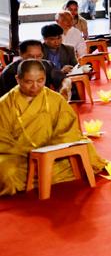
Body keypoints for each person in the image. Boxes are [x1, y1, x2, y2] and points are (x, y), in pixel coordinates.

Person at [0, 60, 105, 195]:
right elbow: (2, 139)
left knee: (88, 150)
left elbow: (68, 129)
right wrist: (29, 152)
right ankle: (44, 174)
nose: (35, 86)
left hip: (53, 151)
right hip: (20, 156)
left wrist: (48, 149)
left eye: (40, 80)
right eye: (28, 82)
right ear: (17, 79)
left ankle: (42, 173)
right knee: (6, 171)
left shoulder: (55, 99)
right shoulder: (5, 104)